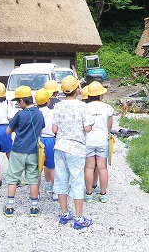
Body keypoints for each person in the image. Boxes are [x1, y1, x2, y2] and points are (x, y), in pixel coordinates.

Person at [52, 76, 94, 230]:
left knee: (61, 180)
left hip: (60, 146)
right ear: (77, 89)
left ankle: (64, 214)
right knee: (76, 181)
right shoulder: (83, 107)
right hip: (76, 148)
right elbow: (87, 128)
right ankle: (79, 218)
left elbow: (54, 129)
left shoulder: (58, 106)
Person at [3, 86, 44, 218]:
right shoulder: (39, 113)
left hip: (18, 150)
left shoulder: (19, 114)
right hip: (33, 151)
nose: (17, 104)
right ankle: (34, 207)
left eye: (17, 102)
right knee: (32, 179)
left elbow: (8, 131)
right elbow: (40, 131)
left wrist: (17, 130)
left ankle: (9, 207)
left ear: (22, 101)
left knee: (13, 177)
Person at [84, 81, 114, 203]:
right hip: (102, 140)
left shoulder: (85, 108)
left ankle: (89, 194)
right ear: (101, 95)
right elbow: (110, 126)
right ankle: (103, 194)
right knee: (102, 168)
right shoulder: (107, 108)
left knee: (89, 167)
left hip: (88, 141)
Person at [34, 87, 56, 201]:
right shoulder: (52, 113)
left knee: (37, 168)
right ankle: (55, 191)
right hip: (50, 140)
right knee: (52, 167)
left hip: (37, 140)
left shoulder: (35, 113)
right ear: (48, 101)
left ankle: (36, 193)